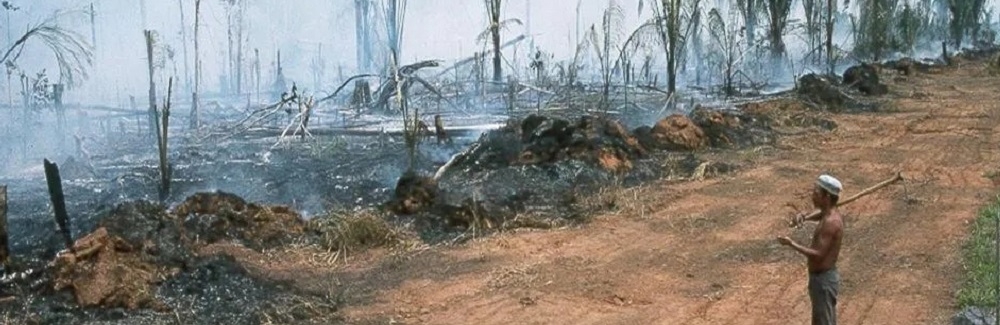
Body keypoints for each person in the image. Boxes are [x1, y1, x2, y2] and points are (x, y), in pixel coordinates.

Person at [778, 174, 844, 325]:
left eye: (816, 193)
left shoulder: (831, 222)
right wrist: (805, 216)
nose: (812, 196)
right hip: (822, 279)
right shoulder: (827, 213)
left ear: (826, 196)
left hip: (823, 281)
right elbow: (819, 213)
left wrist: (791, 244)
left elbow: (818, 255)